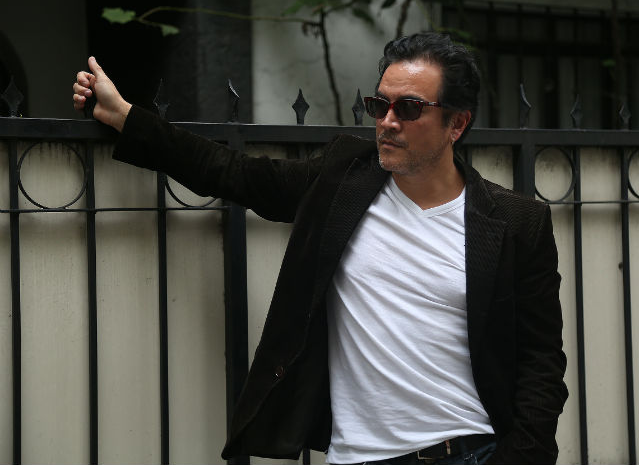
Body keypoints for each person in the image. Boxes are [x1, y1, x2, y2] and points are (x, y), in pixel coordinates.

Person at [73, 32, 567, 465]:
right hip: (358, 456)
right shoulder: (343, 179)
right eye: (380, 105)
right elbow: (235, 173)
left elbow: (542, 366)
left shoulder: (516, 223)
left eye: (409, 108)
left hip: (466, 451)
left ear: (456, 124)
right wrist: (125, 117)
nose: (387, 121)